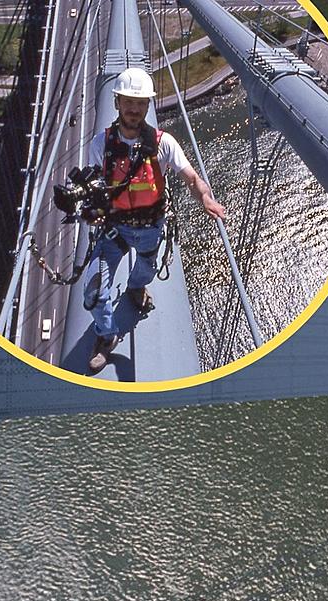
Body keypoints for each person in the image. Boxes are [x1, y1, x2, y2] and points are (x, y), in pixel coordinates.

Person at [83, 67, 226, 374]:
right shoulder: (100, 145)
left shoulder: (164, 143)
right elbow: (95, 186)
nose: (134, 109)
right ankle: (106, 337)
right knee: (93, 292)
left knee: (144, 273)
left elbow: (190, 177)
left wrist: (205, 197)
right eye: (128, 102)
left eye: (140, 103)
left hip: (149, 228)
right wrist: (92, 211)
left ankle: (136, 289)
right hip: (115, 229)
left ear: (147, 106)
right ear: (118, 102)